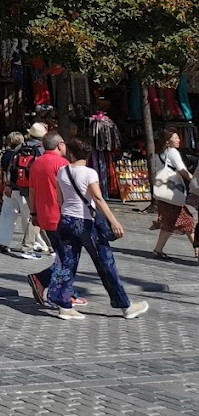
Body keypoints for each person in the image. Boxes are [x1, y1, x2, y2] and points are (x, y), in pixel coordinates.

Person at [47, 136, 148, 320]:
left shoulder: (62, 171)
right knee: (105, 263)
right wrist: (114, 221)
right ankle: (124, 304)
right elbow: (98, 199)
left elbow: (60, 199)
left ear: (71, 153)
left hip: (66, 220)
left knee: (66, 262)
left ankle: (64, 305)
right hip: (86, 222)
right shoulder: (89, 173)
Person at [25, 133, 83, 309]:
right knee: (68, 258)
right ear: (59, 145)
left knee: (63, 256)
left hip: (44, 216)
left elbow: (32, 191)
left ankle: (66, 290)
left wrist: (34, 214)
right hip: (62, 215)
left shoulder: (36, 163)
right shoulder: (63, 164)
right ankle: (46, 282)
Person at [0, 125, 49, 258]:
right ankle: (36, 244)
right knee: (29, 218)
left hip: (13, 186)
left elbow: (10, 167)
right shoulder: (42, 150)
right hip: (28, 189)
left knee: (7, 215)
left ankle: (2, 241)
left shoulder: (20, 147)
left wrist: (8, 184)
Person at [151, 127, 196, 259]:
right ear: (167, 141)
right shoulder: (172, 152)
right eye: (175, 138)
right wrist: (195, 182)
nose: (178, 140)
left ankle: (158, 249)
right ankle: (197, 248)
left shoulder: (159, 153)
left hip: (165, 194)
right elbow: (182, 170)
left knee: (175, 221)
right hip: (172, 194)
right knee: (185, 220)